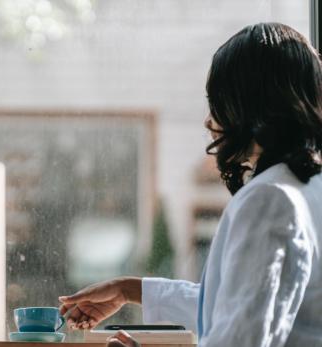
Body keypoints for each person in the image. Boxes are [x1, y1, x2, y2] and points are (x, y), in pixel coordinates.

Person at [59, 22, 322, 347]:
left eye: (218, 101)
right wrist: (129, 289)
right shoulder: (309, 188)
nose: (209, 120)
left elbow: (240, 336)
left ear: (246, 105)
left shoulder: (269, 199)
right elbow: (242, 303)